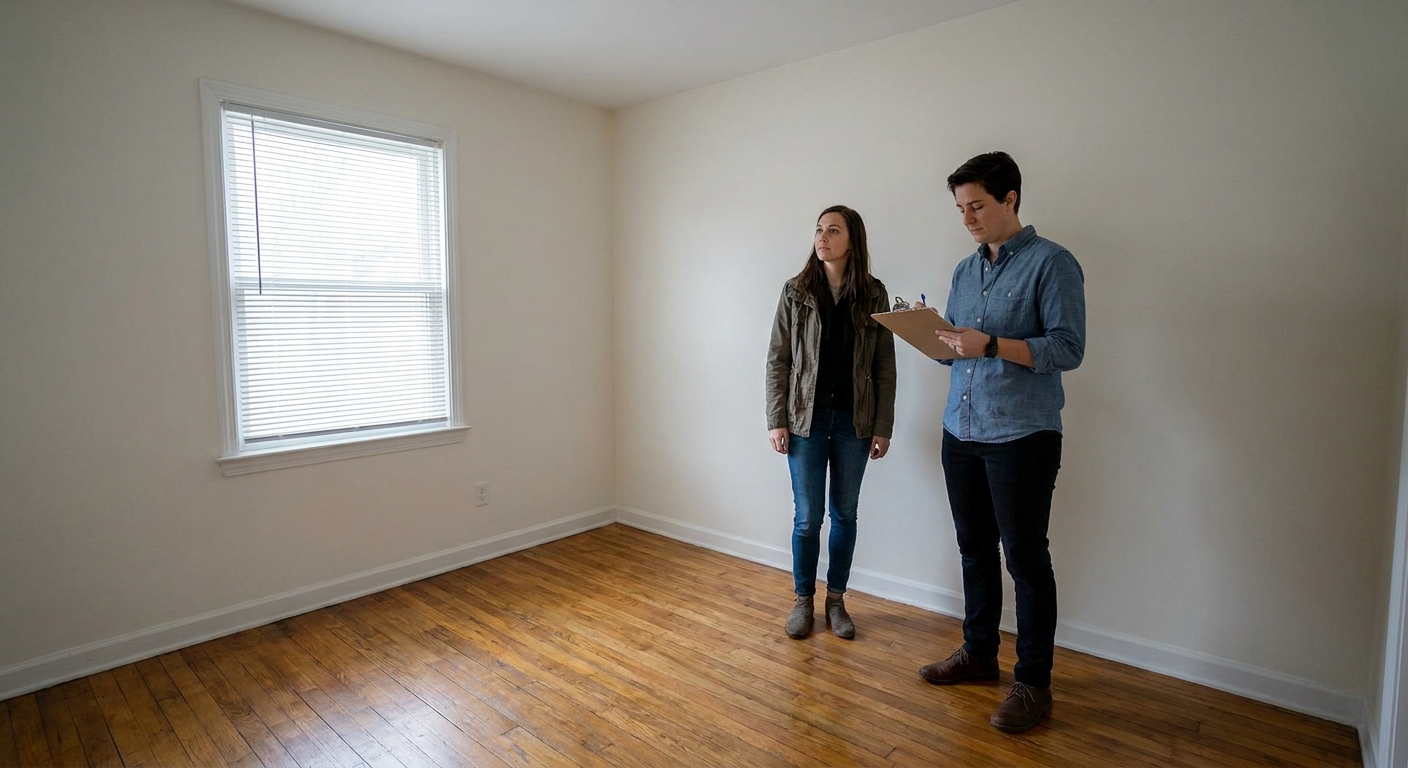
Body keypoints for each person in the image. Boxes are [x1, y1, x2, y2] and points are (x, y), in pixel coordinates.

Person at [915, 152, 1086, 733]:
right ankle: (980, 655)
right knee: (973, 550)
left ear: (1010, 198)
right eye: (960, 208)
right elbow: (957, 347)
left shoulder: (1052, 263)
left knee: (1026, 560)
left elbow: (1067, 349)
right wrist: (932, 335)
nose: (967, 218)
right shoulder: (965, 271)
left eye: (977, 206)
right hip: (959, 430)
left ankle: (1033, 684)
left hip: (1022, 435)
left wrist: (988, 344)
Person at [765, 205, 897, 640]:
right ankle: (803, 600)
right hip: (805, 420)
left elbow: (883, 367)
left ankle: (836, 600)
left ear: (851, 240)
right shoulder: (795, 291)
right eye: (819, 229)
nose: (822, 237)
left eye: (833, 230)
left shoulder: (874, 294)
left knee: (845, 514)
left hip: (854, 422)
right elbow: (778, 360)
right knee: (807, 518)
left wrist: (883, 425)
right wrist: (776, 419)